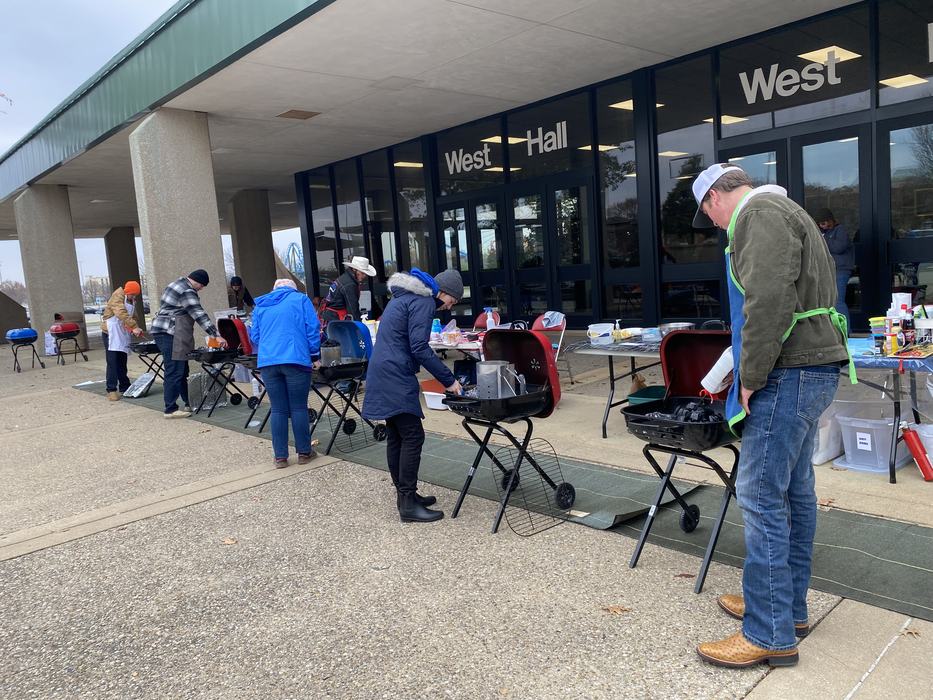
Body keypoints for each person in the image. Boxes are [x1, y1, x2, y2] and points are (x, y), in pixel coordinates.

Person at [691, 164, 854, 668]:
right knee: (795, 493)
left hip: (787, 373)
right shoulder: (787, 209)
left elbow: (768, 302)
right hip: (812, 369)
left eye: (708, 215)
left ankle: (768, 632)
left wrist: (751, 374)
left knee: (761, 495)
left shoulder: (757, 213)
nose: (714, 225)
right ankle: (784, 606)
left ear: (718, 197)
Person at [362, 268, 463, 523]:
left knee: (396, 433)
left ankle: (405, 495)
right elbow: (419, 346)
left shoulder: (405, 296)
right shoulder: (424, 301)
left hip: (382, 369)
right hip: (395, 373)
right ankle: (407, 503)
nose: (448, 307)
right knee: (412, 435)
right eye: (452, 300)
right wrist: (448, 380)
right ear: (444, 292)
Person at [249, 279, 321, 467]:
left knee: (278, 408)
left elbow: (255, 336)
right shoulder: (300, 300)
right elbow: (312, 329)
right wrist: (314, 355)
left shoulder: (261, 305)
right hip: (295, 358)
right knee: (298, 407)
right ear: (293, 289)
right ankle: (304, 452)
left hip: (268, 362)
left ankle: (280, 457)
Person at [150, 269, 227, 419]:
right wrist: (215, 335)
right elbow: (198, 313)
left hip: (162, 331)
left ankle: (187, 402)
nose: (201, 289)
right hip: (171, 332)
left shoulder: (176, 283)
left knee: (181, 370)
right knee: (174, 370)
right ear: (197, 281)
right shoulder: (187, 291)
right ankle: (170, 409)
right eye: (202, 286)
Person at [100, 281, 145, 401]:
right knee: (112, 362)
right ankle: (111, 389)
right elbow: (120, 312)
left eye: (135, 295)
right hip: (110, 333)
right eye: (133, 295)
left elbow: (133, 315)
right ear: (128, 292)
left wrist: (134, 327)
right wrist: (134, 326)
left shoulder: (131, 300)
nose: (134, 297)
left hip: (121, 333)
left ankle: (124, 386)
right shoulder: (118, 296)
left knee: (122, 360)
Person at [814, 208, 854, 332]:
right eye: (820, 224)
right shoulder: (825, 233)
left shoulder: (840, 230)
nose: (822, 226)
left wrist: (823, 238)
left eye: (824, 223)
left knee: (838, 301)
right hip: (829, 270)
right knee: (829, 301)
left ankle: (846, 331)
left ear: (830, 221)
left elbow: (839, 247)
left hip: (841, 269)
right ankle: (835, 330)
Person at [320, 256, 376, 324]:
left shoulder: (345, 278)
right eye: (362, 273)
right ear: (354, 269)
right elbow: (353, 310)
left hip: (330, 319)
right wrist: (360, 328)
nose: (364, 276)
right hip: (336, 321)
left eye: (365, 274)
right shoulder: (349, 285)